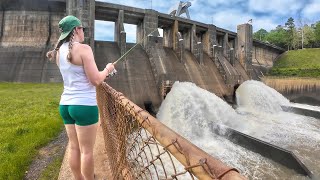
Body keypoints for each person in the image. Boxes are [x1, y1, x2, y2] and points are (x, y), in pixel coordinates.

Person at [46, 15, 115, 180]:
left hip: (65, 106)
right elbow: (96, 80)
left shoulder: (58, 53)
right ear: (76, 30)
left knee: (74, 148)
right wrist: (108, 69)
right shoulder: (84, 49)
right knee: (87, 151)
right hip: (84, 106)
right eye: (82, 28)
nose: (83, 31)